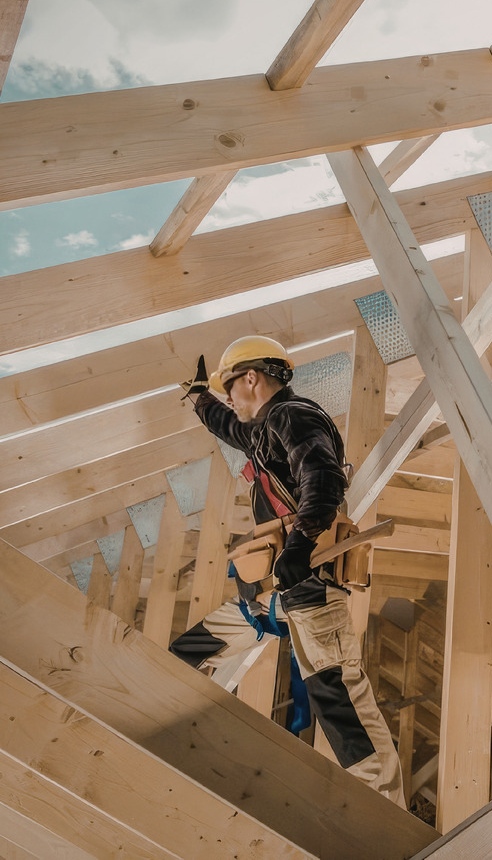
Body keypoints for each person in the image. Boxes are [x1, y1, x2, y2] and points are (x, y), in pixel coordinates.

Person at [170, 335, 404, 804]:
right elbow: (228, 426)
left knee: (338, 698)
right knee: (192, 650)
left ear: (251, 378)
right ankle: (164, 698)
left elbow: (323, 480)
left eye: (230, 388)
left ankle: (385, 808)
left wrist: (298, 545)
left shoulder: (294, 416)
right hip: (279, 595)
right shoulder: (264, 429)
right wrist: (201, 397)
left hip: (312, 591)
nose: (230, 400)